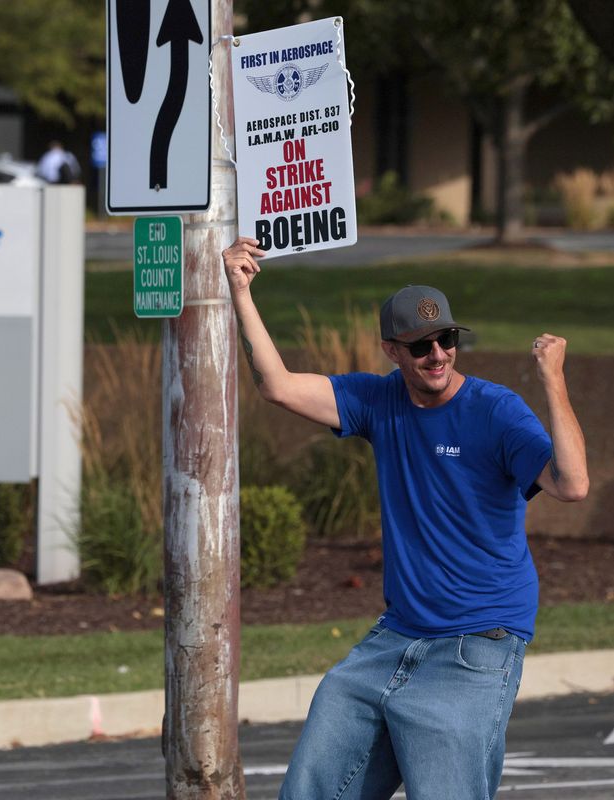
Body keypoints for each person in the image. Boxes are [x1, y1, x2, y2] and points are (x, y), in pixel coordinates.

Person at [221, 236, 589, 800]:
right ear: (393, 351)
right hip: (396, 636)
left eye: (446, 340)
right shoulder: (378, 401)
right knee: (315, 774)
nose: (438, 354)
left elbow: (573, 484)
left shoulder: (496, 411)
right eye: (421, 346)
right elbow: (277, 386)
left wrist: (553, 381)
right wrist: (241, 291)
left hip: (480, 639)